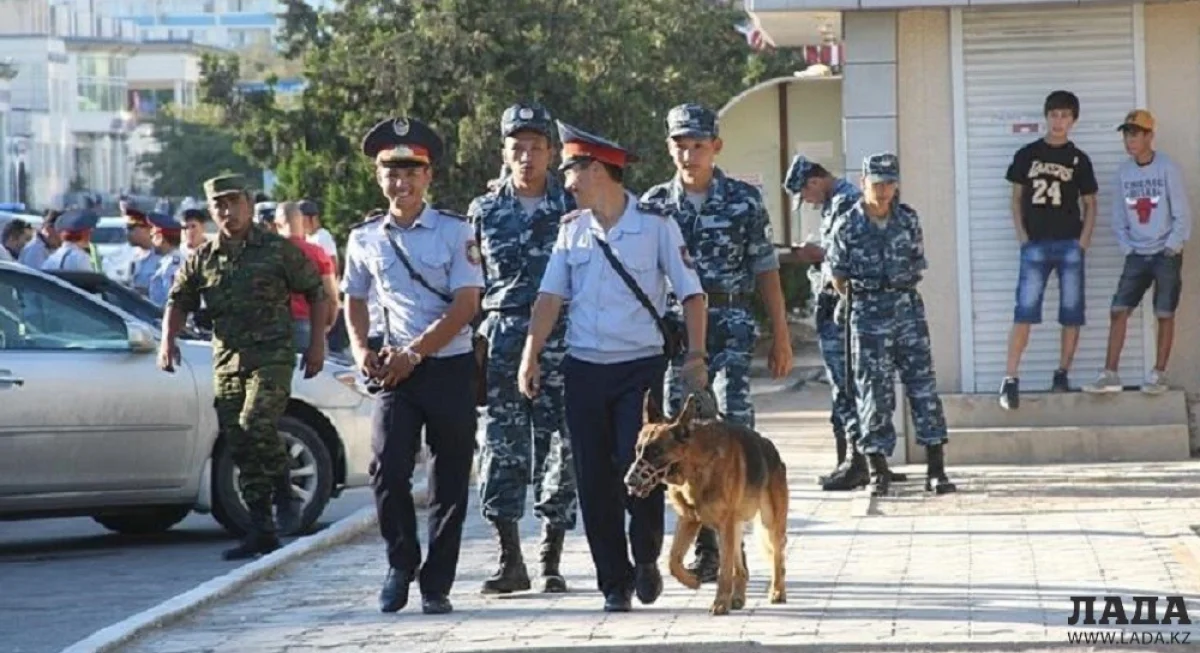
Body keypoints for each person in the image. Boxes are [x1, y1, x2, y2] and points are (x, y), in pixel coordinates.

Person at [518, 120, 708, 613]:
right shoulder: (572, 231)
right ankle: (613, 582)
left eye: (572, 171)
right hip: (584, 369)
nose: (566, 182)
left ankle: (645, 555)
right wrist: (530, 353)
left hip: (638, 370)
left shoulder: (655, 225)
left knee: (641, 467)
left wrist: (695, 357)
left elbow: (692, 294)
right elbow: (549, 297)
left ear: (598, 169)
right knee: (593, 479)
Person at [639, 103, 791, 584]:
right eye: (680, 145)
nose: (689, 154)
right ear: (669, 148)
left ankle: (728, 545)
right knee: (680, 438)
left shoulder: (744, 201)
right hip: (677, 332)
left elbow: (766, 269)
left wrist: (782, 335)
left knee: (733, 433)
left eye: (698, 145)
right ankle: (702, 541)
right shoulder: (653, 205)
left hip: (732, 324)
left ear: (716, 147)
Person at [341, 117, 483, 616]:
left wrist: (415, 353)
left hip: (446, 365)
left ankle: (436, 583)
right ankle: (401, 563)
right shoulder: (364, 238)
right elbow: (354, 299)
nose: (400, 184)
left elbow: (467, 303)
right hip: (393, 371)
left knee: (448, 481)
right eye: (390, 174)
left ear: (428, 177)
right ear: (379, 178)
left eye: (411, 173)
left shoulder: (455, 231)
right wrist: (361, 349)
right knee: (386, 467)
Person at [160, 174, 327, 561]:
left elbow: (316, 292)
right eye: (219, 205)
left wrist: (317, 343)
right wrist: (167, 343)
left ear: (249, 206)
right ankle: (261, 528)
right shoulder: (203, 257)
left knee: (257, 422)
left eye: (233, 203)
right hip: (228, 361)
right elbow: (178, 300)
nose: (227, 211)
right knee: (240, 442)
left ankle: (284, 488)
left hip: (272, 355)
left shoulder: (275, 249)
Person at [468, 102, 578, 595]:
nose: (527, 157)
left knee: (562, 445)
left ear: (551, 153)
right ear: (504, 154)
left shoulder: (573, 208)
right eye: (518, 149)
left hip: (565, 338)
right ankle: (509, 557)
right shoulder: (484, 211)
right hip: (504, 337)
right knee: (501, 447)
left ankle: (551, 556)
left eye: (536, 148)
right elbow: (470, 283)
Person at [826, 153, 956, 497]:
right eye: (877, 183)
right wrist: (862, 302)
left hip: (906, 309)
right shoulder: (847, 224)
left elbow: (916, 262)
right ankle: (877, 470)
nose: (883, 191)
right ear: (863, 183)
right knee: (873, 391)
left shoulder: (907, 220)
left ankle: (936, 469)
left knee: (923, 387)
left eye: (889, 183)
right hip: (868, 314)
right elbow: (838, 275)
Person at [999, 90, 1098, 408]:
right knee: (1025, 311)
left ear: (1074, 120)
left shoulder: (1079, 159)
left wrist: (1083, 241)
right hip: (1036, 243)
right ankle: (1010, 378)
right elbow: (1015, 198)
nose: (1059, 121)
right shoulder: (1027, 154)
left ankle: (1062, 372)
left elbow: (1091, 202)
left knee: (1071, 313)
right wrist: (1022, 236)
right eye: (1054, 115)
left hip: (1069, 242)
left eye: (1065, 115)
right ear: (1046, 117)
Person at [1084, 109, 1190, 395]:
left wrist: (1173, 245)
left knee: (1164, 312)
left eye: (1136, 134)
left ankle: (1158, 374)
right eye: (1127, 134)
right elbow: (1118, 214)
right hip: (1137, 253)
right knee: (1119, 310)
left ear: (1149, 136)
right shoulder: (1124, 172)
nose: (1130, 140)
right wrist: (1127, 246)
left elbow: (1181, 212)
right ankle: (1110, 374)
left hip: (1165, 251)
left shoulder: (1167, 167)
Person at [276, 201, 340, 353]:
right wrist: (328, 324)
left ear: (277, 224)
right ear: (301, 222)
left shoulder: (268, 254)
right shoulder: (317, 253)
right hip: (310, 325)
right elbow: (331, 295)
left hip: (274, 328)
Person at [146, 212, 185, 309]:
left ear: (161, 238)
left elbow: (174, 302)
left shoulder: (173, 266)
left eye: (153, 236)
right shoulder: (166, 262)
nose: (152, 240)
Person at [122, 203, 162, 296]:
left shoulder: (162, 256)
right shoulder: (130, 254)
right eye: (125, 228)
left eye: (130, 228)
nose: (126, 233)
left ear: (147, 229)